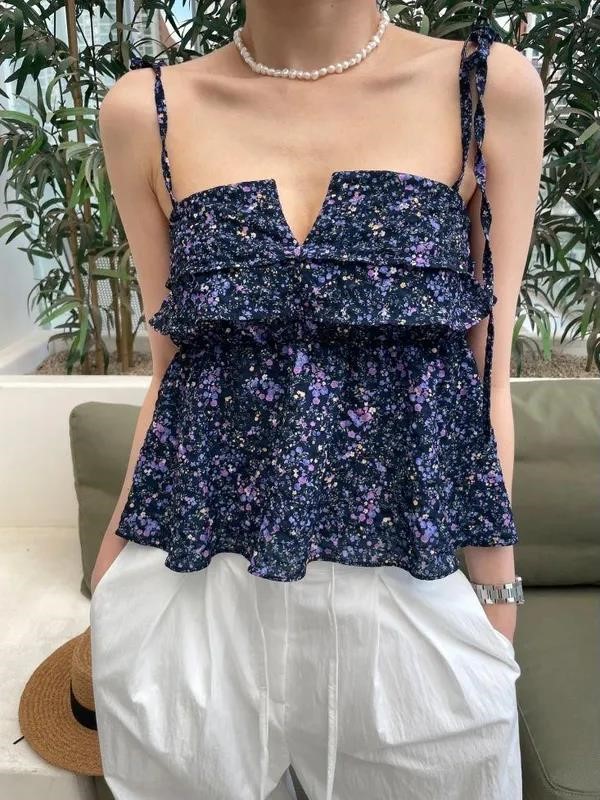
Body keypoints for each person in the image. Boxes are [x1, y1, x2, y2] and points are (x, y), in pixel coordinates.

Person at [90, 2, 545, 798]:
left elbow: (487, 372)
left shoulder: (485, 87)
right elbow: (172, 371)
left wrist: (495, 593)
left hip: (410, 580)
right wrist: (109, 584)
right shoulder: (144, 110)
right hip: (195, 584)